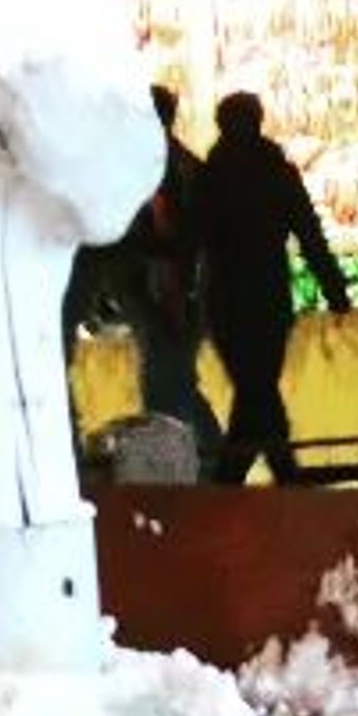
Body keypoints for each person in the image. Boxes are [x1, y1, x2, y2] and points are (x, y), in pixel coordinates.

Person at [193, 89, 349, 484]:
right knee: (258, 387)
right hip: (269, 296)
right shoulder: (277, 171)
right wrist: (334, 288)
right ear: (259, 121)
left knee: (254, 388)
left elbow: (192, 241)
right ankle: (274, 475)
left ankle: (241, 478)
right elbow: (310, 234)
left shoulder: (210, 175)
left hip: (224, 298)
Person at [112, 85, 219, 469]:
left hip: (166, 291)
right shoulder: (184, 165)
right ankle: (212, 460)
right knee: (172, 378)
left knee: (164, 380)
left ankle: (203, 464)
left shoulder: (157, 169)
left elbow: (173, 239)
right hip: (175, 290)